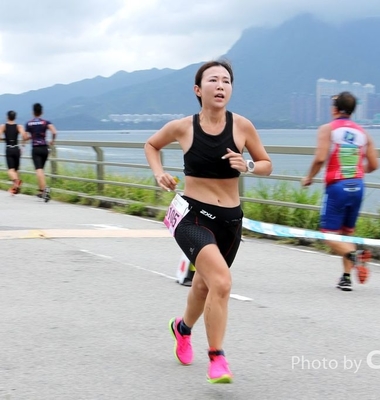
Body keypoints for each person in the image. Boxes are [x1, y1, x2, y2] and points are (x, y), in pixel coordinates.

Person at [144, 60, 272, 384]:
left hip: (230, 221)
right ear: (198, 90)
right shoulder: (183, 127)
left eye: (226, 81)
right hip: (192, 217)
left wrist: (248, 165)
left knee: (204, 285)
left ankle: (182, 328)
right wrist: (159, 173)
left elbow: (266, 163)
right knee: (222, 282)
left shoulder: (242, 126)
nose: (220, 86)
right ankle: (217, 358)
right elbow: (151, 145)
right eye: (213, 80)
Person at [301, 91, 379, 292]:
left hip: (337, 187)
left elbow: (320, 158)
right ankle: (346, 278)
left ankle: (356, 256)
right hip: (357, 186)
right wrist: (357, 170)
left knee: (329, 235)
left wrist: (309, 177)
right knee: (346, 233)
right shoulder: (363, 133)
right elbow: (374, 164)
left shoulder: (328, 129)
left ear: (334, 109)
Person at [25, 103, 57, 202]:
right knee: (41, 170)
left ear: (33, 112)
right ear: (42, 112)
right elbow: (54, 132)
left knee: (38, 170)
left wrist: (31, 136)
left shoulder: (29, 123)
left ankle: (44, 190)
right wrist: (52, 141)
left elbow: (25, 137)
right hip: (44, 148)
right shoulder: (45, 122)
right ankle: (40, 191)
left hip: (36, 148)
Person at [1, 110, 28, 194]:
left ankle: (16, 182)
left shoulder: (3, 126)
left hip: (9, 148)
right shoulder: (19, 126)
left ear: (7, 117)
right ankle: (16, 188)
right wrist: (23, 146)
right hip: (16, 149)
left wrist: (5, 139)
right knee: (16, 170)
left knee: (10, 170)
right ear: (15, 117)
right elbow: (25, 137)